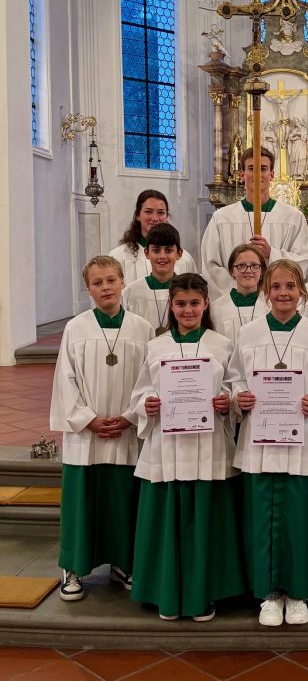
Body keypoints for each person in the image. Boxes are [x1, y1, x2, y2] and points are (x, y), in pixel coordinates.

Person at [227, 259, 308, 627]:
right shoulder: (248, 334)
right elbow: (234, 379)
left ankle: (298, 592)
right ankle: (268, 593)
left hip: (301, 445)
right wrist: (239, 398)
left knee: (298, 520)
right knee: (262, 519)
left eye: (290, 287)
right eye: (275, 287)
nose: (283, 293)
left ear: (301, 292)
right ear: (266, 291)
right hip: (259, 445)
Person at [130, 274, 244, 621]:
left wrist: (228, 402)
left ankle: (203, 593)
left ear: (206, 304)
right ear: (171, 306)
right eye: (181, 304)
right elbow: (140, 391)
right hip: (166, 447)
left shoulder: (221, 344)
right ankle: (165, 591)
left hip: (207, 446)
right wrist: (146, 405)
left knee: (205, 521)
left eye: (195, 303)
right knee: (168, 520)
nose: (188, 310)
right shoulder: (156, 346)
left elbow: (235, 387)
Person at [50, 256, 153, 602]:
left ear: (123, 281)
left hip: (125, 430)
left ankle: (123, 564)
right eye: (97, 283)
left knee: (123, 500)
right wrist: (87, 419)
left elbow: (149, 381)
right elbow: (65, 381)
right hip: (87, 435)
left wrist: (130, 416)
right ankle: (73, 568)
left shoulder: (143, 328)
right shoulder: (75, 328)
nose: (106, 287)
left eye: (111, 280)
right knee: (83, 500)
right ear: (89, 289)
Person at [201, 147, 308, 296]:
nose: (258, 174)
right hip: (234, 301)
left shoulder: (293, 217)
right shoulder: (221, 218)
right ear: (242, 174)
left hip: (275, 301)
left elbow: (302, 261)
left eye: (263, 169)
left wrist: (271, 253)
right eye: (251, 168)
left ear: (272, 175)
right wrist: (241, 287)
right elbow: (210, 264)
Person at [109, 190, 197, 284]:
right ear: (138, 215)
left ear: (167, 216)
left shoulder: (185, 259)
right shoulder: (118, 257)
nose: (155, 218)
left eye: (161, 213)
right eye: (148, 212)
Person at [121, 223, 182, 336]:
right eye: (156, 250)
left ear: (178, 254)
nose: (162, 256)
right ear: (147, 253)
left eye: (168, 250)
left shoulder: (186, 291)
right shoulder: (131, 293)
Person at [210, 244, 270, 345]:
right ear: (231, 271)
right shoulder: (216, 308)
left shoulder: (270, 305)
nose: (248, 270)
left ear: (262, 271)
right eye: (241, 266)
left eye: (254, 266)